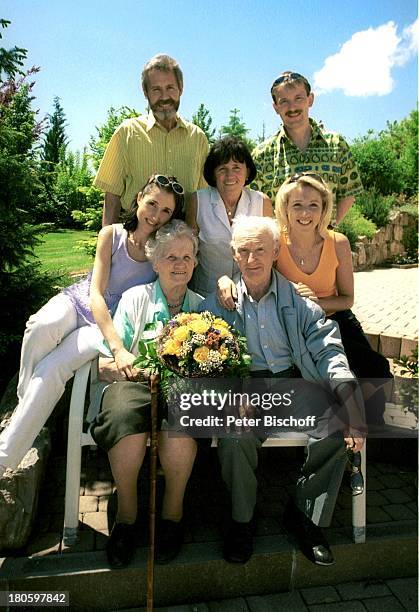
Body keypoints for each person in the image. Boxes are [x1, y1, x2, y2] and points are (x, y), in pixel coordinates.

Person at [199, 216, 364, 566]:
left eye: (261, 249)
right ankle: (242, 520)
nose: (253, 257)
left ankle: (305, 516)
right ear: (234, 254)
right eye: (244, 250)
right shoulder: (217, 307)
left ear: (276, 251)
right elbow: (205, 363)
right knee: (233, 432)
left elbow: (329, 352)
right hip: (247, 391)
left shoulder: (301, 303)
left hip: (295, 384)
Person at [0, 174, 183, 478]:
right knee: (40, 326)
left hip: (108, 324)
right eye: (152, 204)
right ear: (138, 198)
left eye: (166, 211)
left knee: (54, 368)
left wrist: (117, 344)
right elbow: (96, 292)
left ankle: (5, 456)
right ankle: (24, 404)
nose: (156, 215)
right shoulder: (111, 234)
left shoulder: (159, 253)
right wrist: (117, 348)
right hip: (81, 301)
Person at [91, 220, 204, 568]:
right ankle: (126, 516)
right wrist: (135, 369)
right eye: (171, 256)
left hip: (182, 387)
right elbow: (104, 363)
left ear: (196, 263)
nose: (180, 264)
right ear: (155, 263)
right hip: (135, 382)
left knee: (184, 420)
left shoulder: (202, 307)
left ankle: (172, 514)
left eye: (187, 256)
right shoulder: (135, 299)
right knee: (124, 417)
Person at [94, 54, 209, 226]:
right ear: (145, 93)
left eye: (170, 88)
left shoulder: (197, 138)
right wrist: (108, 244)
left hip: (181, 240)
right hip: (135, 235)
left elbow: (201, 196)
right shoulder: (127, 133)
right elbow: (112, 195)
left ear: (181, 89)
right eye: (156, 89)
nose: (164, 97)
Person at [251, 71, 363, 224]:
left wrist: (328, 228)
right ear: (276, 107)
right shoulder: (262, 154)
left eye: (298, 98)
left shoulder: (337, 145)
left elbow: (350, 192)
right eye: (284, 101)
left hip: (327, 242)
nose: (292, 107)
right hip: (279, 245)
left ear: (310, 99)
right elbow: (254, 201)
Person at [186, 136, 273, 296]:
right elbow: (188, 252)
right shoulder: (197, 201)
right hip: (205, 294)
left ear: (247, 171)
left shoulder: (262, 202)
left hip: (252, 295)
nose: (229, 175)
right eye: (222, 169)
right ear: (213, 174)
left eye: (236, 168)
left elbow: (273, 252)